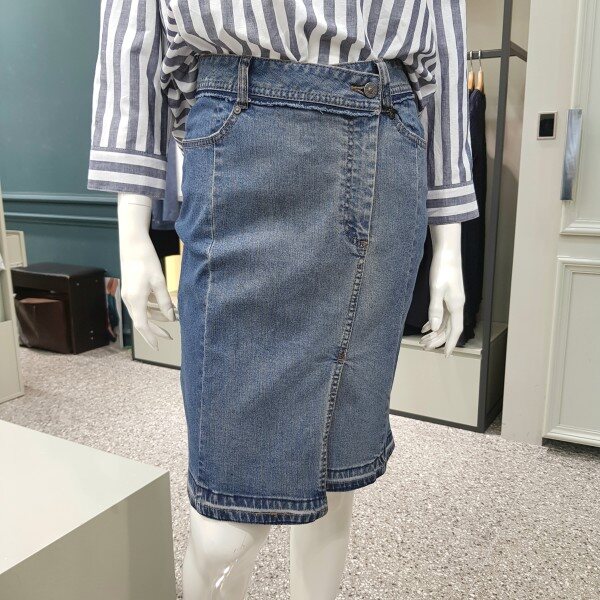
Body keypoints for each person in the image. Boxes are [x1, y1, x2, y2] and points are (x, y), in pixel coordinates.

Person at [88, 2, 479, 597]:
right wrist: (131, 223)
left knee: (335, 470)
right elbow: (130, 31)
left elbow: (445, 45)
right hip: (243, 133)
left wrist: (448, 237)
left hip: (387, 128)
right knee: (226, 515)